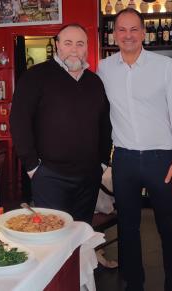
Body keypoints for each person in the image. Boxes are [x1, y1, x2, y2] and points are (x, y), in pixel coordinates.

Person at [97, 8, 172, 291]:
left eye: (134, 29)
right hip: (123, 158)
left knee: (169, 226)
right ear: (114, 34)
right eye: (122, 30)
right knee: (128, 227)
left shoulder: (164, 67)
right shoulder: (103, 69)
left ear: (144, 32)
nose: (128, 35)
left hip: (161, 159)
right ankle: (132, 283)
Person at [10, 24, 112, 225]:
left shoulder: (94, 82)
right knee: (53, 235)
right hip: (50, 177)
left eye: (80, 44)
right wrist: (32, 167)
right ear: (57, 46)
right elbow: (19, 121)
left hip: (89, 177)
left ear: (86, 48)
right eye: (68, 43)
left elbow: (105, 124)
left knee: (81, 234)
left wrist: (102, 162)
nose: (74, 49)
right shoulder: (35, 77)